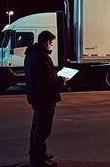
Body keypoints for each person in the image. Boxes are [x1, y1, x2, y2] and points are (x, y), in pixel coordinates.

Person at [24, 30, 67, 167]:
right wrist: (61, 80)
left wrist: (55, 76)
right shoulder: (42, 58)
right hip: (45, 99)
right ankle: (39, 161)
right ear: (47, 42)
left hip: (36, 97)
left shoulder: (31, 54)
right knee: (42, 131)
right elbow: (48, 83)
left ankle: (36, 153)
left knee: (36, 129)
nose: (51, 46)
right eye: (51, 43)